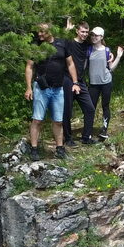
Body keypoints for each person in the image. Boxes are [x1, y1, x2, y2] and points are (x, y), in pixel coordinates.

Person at [25, 23, 77, 157]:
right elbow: (29, 67)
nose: (40, 34)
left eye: (42, 32)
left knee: (59, 121)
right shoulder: (36, 46)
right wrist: (29, 88)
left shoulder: (62, 44)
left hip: (58, 88)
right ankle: (34, 149)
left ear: (51, 31)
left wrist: (75, 82)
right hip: (41, 88)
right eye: (38, 32)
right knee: (37, 120)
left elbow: (70, 64)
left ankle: (60, 148)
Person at [60, 18, 96, 144]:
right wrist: (66, 30)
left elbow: (98, 45)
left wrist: (110, 54)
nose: (85, 34)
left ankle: (86, 137)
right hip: (67, 79)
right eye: (82, 32)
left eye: (86, 32)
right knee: (67, 110)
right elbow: (58, 43)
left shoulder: (87, 45)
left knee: (90, 108)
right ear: (77, 31)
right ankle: (68, 138)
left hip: (80, 80)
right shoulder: (69, 42)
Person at [84, 26, 124, 139]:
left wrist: (118, 57)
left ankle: (104, 130)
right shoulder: (89, 49)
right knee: (91, 107)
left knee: (105, 105)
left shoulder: (107, 50)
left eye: (96, 35)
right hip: (93, 83)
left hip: (106, 82)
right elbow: (84, 66)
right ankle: (88, 132)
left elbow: (111, 68)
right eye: (92, 35)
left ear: (101, 37)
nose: (93, 37)